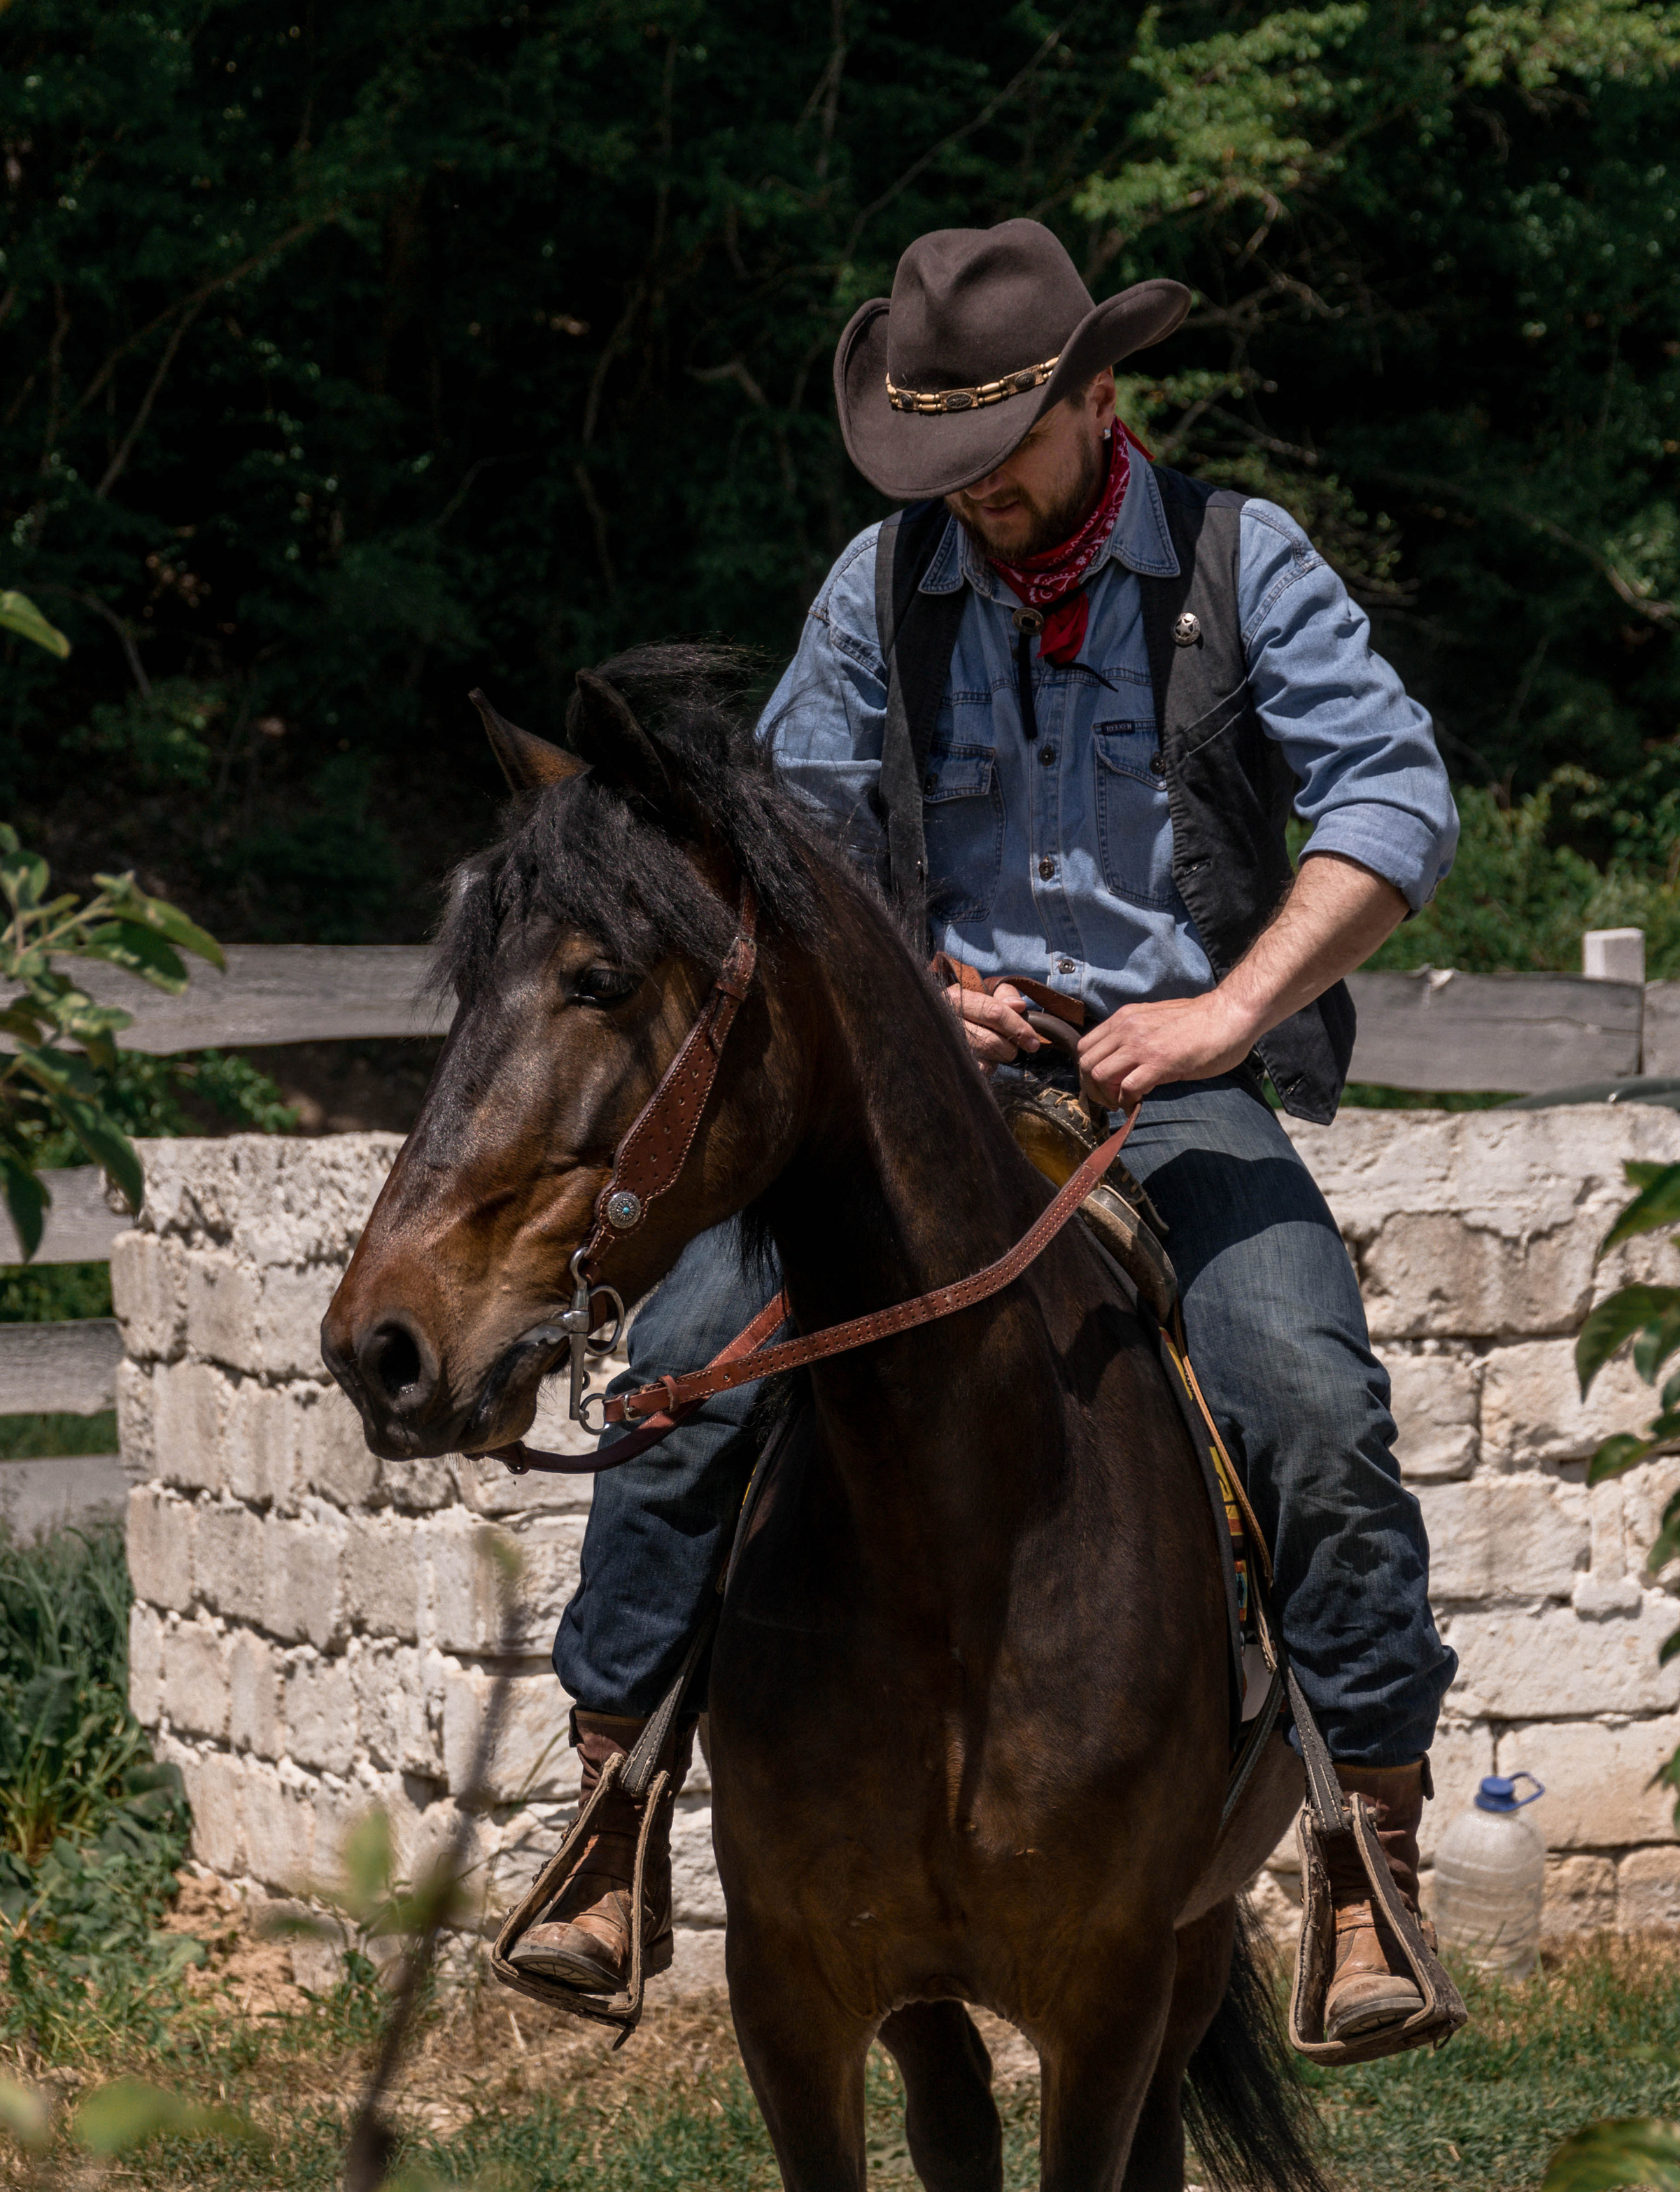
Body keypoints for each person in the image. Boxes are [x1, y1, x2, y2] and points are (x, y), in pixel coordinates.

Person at [516, 218, 1460, 2050]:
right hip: (921, 1100)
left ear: (1099, 397)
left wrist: (1227, 1011)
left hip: (1168, 1092)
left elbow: (1396, 796)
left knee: (1307, 1386)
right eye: (936, 466)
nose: (971, 499)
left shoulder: (1238, 565)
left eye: (998, 459)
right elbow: (781, 840)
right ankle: (613, 1810)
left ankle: (1369, 1850)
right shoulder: (883, 586)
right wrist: (897, 975)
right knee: (691, 1359)